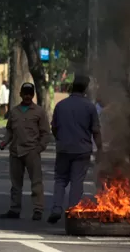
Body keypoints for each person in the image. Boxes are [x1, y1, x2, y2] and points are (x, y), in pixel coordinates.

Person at [48, 75, 101, 224]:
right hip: (82, 150)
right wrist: (101, 148)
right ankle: (72, 212)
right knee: (77, 182)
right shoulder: (90, 107)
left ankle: (56, 208)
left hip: (63, 149)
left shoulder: (61, 105)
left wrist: (60, 139)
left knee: (60, 179)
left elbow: (54, 127)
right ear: (85, 89)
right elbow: (96, 131)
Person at [0, 82, 50, 221]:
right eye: (25, 93)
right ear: (20, 94)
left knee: (36, 183)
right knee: (16, 183)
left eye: (30, 93)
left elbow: (46, 133)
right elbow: (10, 130)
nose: (27, 96)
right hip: (15, 152)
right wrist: (3, 142)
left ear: (32, 95)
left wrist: (40, 148)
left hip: (32, 151)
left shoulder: (39, 112)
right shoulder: (14, 111)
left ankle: (38, 209)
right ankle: (14, 209)